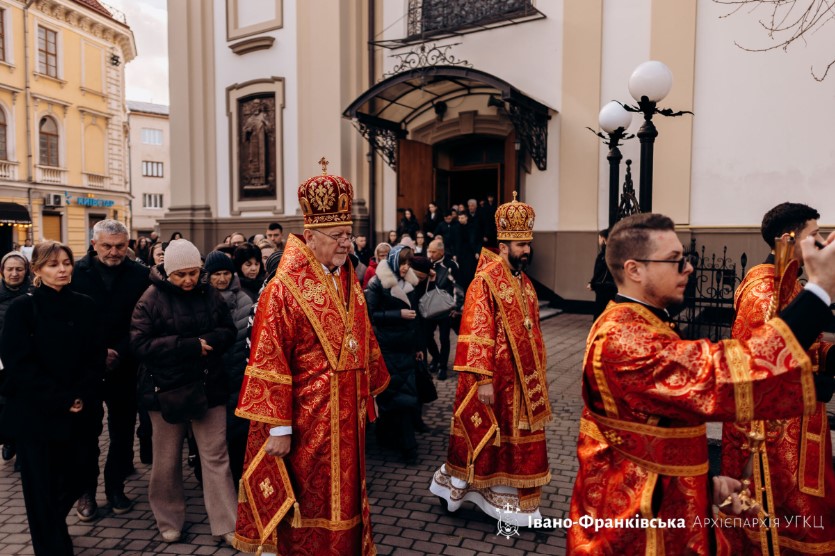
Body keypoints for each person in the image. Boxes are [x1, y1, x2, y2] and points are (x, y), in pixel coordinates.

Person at [567, 213, 835, 555]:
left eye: (686, 259)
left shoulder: (641, 322)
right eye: (675, 261)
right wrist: (820, 291)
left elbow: (645, 435)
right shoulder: (624, 338)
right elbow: (724, 374)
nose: (688, 269)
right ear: (634, 270)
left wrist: (707, 485)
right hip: (636, 530)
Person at [233, 162, 389, 555]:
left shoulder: (346, 277)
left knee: (346, 494)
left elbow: (362, 338)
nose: (346, 243)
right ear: (310, 236)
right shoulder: (282, 291)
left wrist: (368, 391)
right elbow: (269, 359)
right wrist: (278, 429)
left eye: (349, 235)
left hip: (346, 417)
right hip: (306, 421)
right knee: (309, 500)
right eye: (337, 236)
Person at [720, 202, 835, 554]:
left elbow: (803, 345)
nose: (820, 242)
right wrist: (814, 383)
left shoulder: (790, 283)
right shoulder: (763, 291)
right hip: (773, 428)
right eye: (814, 235)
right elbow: (763, 360)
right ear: (788, 239)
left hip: (797, 418)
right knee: (782, 513)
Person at [430, 193, 551, 522]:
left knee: (513, 443)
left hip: (522, 381)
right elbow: (476, 329)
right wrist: (483, 379)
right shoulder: (484, 282)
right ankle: (456, 489)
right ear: (504, 245)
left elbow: (532, 329)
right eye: (520, 244)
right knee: (483, 440)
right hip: (493, 379)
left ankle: (511, 499)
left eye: (528, 243)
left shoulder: (525, 283)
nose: (526, 250)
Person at [0, 241, 105, 555]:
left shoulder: (85, 304)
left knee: (82, 472)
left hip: (81, 407)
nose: (62, 269)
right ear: (37, 270)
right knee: (41, 486)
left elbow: (96, 355)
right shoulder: (23, 308)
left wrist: (81, 395)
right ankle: (52, 545)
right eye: (53, 264)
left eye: (66, 263)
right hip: (38, 412)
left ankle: (52, 525)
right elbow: (18, 363)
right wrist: (59, 399)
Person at [130, 239, 238, 545]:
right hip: (166, 389)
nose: (188, 279)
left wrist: (210, 341)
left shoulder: (210, 294)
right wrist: (188, 346)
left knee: (216, 456)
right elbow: (139, 345)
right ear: (168, 272)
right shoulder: (149, 300)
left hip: (208, 386)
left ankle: (226, 522)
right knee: (166, 460)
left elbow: (229, 331)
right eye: (181, 275)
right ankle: (169, 519)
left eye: (193, 273)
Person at [71, 219, 151, 521]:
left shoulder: (140, 275)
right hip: (86, 369)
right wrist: (96, 353)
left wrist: (120, 349)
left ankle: (115, 487)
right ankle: (86, 493)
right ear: (94, 245)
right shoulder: (75, 274)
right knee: (86, 435)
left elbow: (143, 321)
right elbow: (71, 323)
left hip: (125, 365)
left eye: (120, 246)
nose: (114, 252)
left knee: (121, 432)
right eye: (107, 246)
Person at [365, 245, 423, 463]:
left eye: (408, 263)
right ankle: (407, 447)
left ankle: (392, 438)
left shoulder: (411, 282)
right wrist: (397, 314)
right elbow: (371, 315)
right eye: (402, 262)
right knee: (393, 394)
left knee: (404, 394)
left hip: (406, 347)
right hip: (387, 348)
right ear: (392, 261)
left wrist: (419, 347)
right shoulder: (377, 282)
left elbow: (417, 319)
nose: (405, 267)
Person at [204, 251, 254, 487]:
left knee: (236, 433)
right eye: (216, 274)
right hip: (211, 375)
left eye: (226, 273)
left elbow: (247, 336)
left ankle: (236, 477)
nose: (222, 279)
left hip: (236, 374)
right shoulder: (202, 299)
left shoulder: (243, 300)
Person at [0, 252, 31, 466]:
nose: (14, 273)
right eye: (9, 269)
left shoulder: (33, 294)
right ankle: (8, 439)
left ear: (26, 271)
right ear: (2, 271)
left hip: (25, 359)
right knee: (3, 404)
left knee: (24, 404)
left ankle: (22, 448)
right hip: (1, 362)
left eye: (19, 269)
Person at [424, 239, 462, 380]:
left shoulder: (451, 265)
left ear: (441, 252)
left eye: (433, 252)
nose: (431, 254)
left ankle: (443, 367)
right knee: (427, 336)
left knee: (444, 338)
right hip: (430, 307)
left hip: (446, 308)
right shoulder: (428, 263)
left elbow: (458, 286)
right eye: (429, 251)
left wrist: (456, 307)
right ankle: (436, 357)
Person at [587, 228, 617, 319]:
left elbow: (599, 271)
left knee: (600, 313)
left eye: (599, 238)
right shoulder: (615, 253)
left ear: (604, 239)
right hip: (613, 287)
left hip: (603, 287)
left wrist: (592, 283)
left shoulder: (604, 255)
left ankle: (598, 331)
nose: (598, 241)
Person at [454, 211, 482, 291]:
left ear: (466, 218)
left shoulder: (473, 227)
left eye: (462, 218)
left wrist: (477, 251)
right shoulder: (456, 228)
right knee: (461, 273)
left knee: (470, 273)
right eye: (459, 218)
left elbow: (478, 241)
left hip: (470, 253)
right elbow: (454, 242)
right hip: (460, 254)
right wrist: (455, 254)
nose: (460, 219)